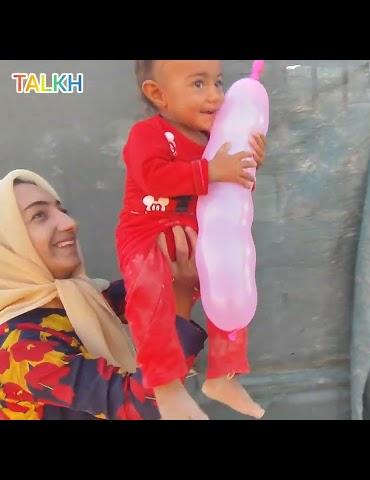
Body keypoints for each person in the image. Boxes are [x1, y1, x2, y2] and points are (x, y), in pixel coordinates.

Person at [115, 60, 266, 420]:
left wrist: (247, 167)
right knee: (152, 300)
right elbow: (152, 177)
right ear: (158, 95)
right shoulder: (147, 134)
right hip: (148, 239)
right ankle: (166, 387)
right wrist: (212, 170)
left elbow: (230, 198)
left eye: (218, 82)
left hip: (199, 241)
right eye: (199, 84)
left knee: (235, 284)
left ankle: (223, 374)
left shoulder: (218, 140)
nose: (215, 95)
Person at [0, 169, 207, 420]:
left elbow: (150, 290)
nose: (69, 223)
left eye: (62, 211)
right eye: (39, 215)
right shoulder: (19, 347)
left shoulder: (78, 300)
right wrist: (179, 304)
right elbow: (138, 406)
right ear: (8, 245)